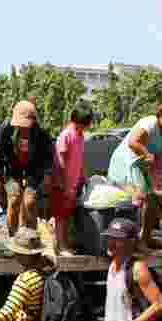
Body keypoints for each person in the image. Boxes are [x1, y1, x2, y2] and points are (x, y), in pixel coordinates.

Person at [107, 96, 162, 247]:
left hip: (142, 170)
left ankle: (144, 239)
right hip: (126, 166)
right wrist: (147, 154)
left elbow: (159, 159)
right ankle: (133, 241)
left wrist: (158, 182)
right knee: (141, 199)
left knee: (151, 200)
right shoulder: (149, 123)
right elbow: (133, 142)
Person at [0, 100, 55, 238]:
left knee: (30, 201)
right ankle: (13, 237)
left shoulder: (41, 132)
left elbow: (49, 155)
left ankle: (31, 237)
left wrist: (48, 175)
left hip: (33, 169)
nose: (23, 128)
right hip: (13, 168)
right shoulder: (6, 128)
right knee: (14, 199)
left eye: (26, 125)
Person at [51, 100, 93, 253]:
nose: (84, 127)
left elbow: (79, 159)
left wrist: (84, 177)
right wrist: (63, 182)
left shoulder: (81, 136)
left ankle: (65, 243)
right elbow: (60, 158)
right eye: (82, 124)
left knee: (67, 215)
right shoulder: (66, 134)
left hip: (73, 183)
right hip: (62, 183)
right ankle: (61, 245)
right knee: (61, 216)